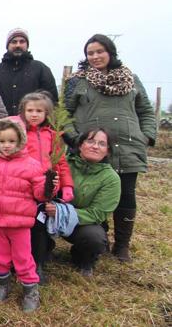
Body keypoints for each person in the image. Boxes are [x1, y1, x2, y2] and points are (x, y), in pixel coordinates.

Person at [65, 34, 157, 262]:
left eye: (99, 51)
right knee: (92, 191)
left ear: (110, 52)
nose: (95, 57)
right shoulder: (78, 82)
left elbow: (146, 111)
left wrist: (146, 136)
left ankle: (123, 245)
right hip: (90, 148)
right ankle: (100, 237)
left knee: (126, 195)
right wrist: (75, 138)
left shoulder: (131, 79)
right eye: (90, 53)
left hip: (126, 147)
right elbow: (63, 113)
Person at [0, 118, 48, 313]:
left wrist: (49, 186)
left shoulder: (32, 165)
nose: (6, 145)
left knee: (22, 257)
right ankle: (3, 283)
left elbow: (40, 194)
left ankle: (30, 290)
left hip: (19, 223)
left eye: (11, 141)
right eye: (2, 141)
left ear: (20, 140)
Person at [10, 92, 74, 283]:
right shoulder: (18, 134)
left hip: (45, 189)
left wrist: (67, 185)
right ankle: (18, 262)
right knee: (21, 228)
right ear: (23, 112)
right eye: (30, 110)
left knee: (40, 227)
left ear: (47, 113)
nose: (34, 114)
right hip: (23, 189)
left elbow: (60, 162)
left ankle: (37, 264)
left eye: (39, 111)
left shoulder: (52, 136)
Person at [53, 128, 120, 276]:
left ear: (107, 151)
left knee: (94, 238)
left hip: (82, 223)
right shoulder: (62, 164)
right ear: (80, 145)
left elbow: (97, 213)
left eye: (102, 144)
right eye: (90, 141)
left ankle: (84, 259)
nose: (95, 146)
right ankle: (42, 252)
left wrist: (62, 213)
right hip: (51, 216)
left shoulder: (111, 179)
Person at [0, 28, 58, 115]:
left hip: (32, 125)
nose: (18, 45)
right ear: (8, 45)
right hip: (2, 124)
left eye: (22, 41)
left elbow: (52, 100)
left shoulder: (40, 68)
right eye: (14, 42)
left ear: (27, 45)